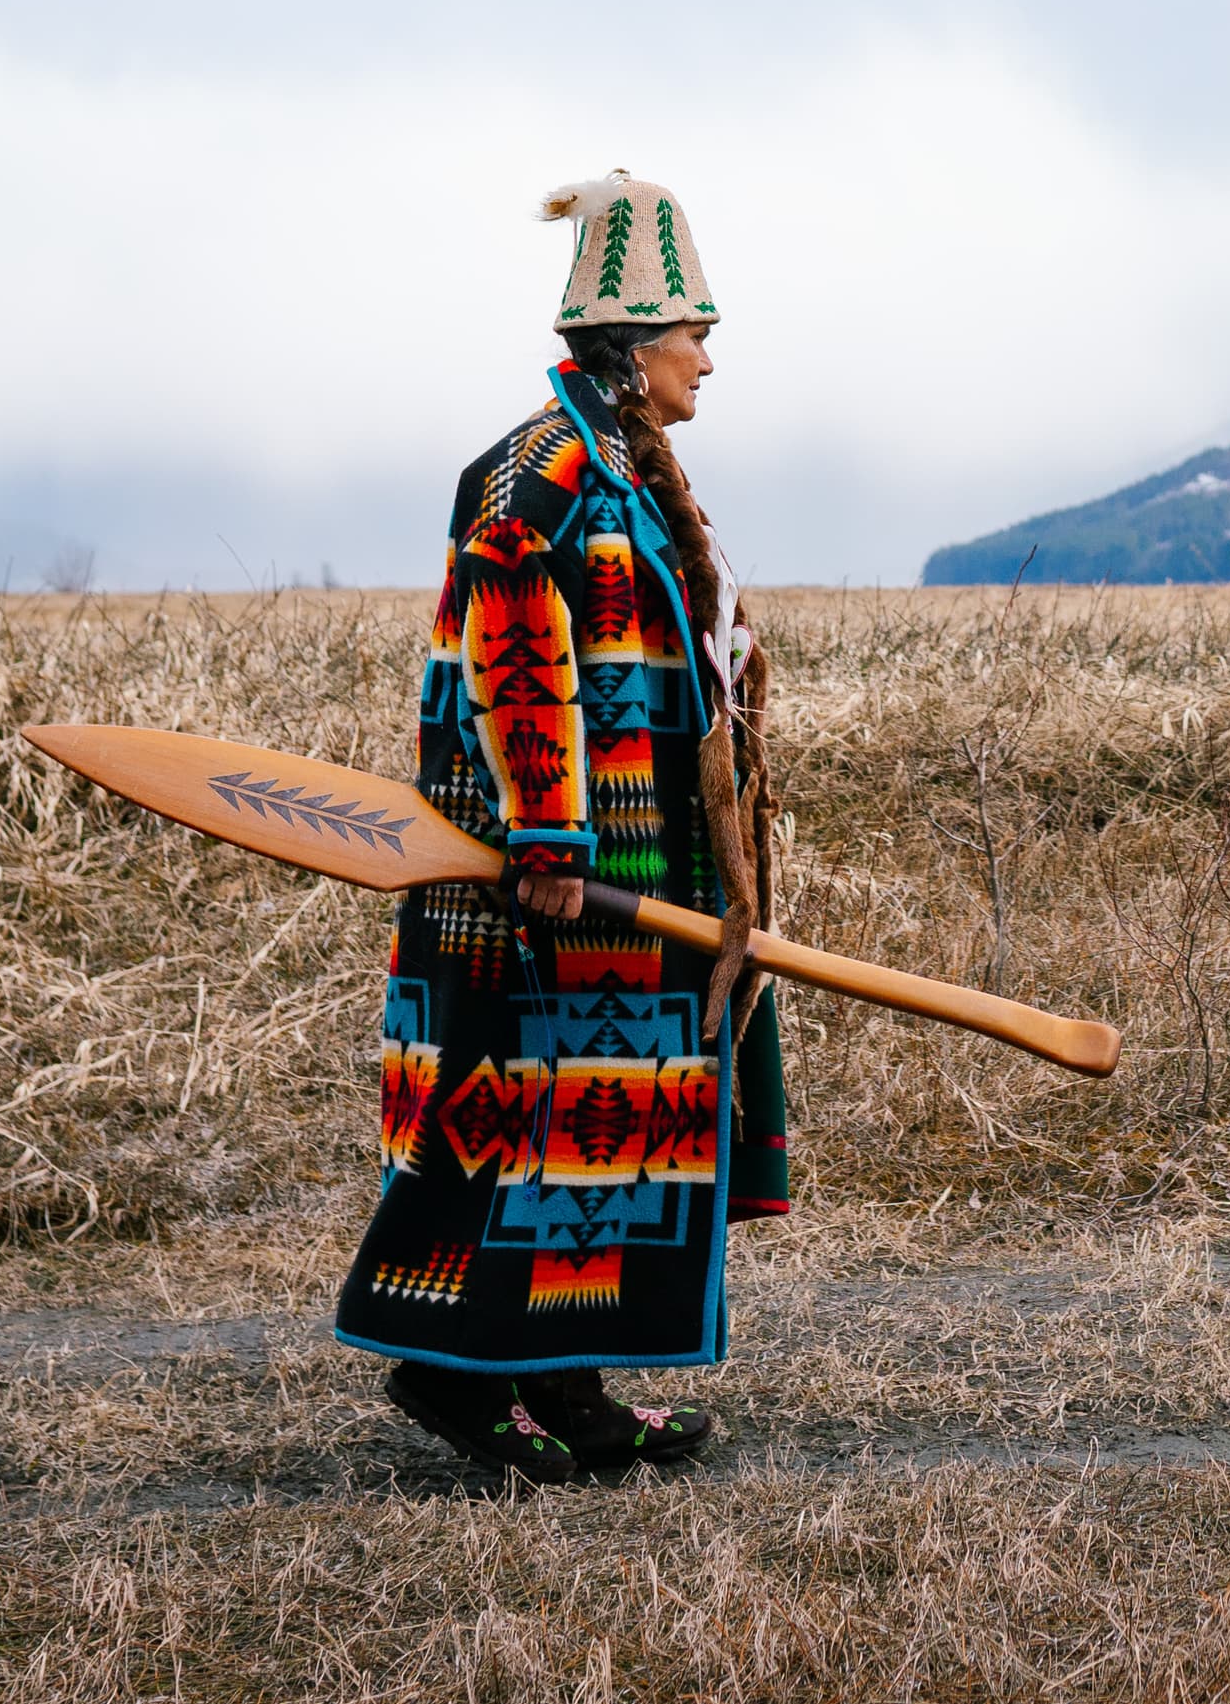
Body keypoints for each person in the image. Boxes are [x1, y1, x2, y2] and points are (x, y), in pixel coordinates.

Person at [336, 170, 788, 1483]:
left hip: (633, 871)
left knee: (596, 1128)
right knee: (512, 1120)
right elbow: (515, 645)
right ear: (634, 347)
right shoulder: (540, 469)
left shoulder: (629, 470)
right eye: (695, 333)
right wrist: (547, 837)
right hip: (537, 884)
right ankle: (449, 1372)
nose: (709, 358)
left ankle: (570, 1388)